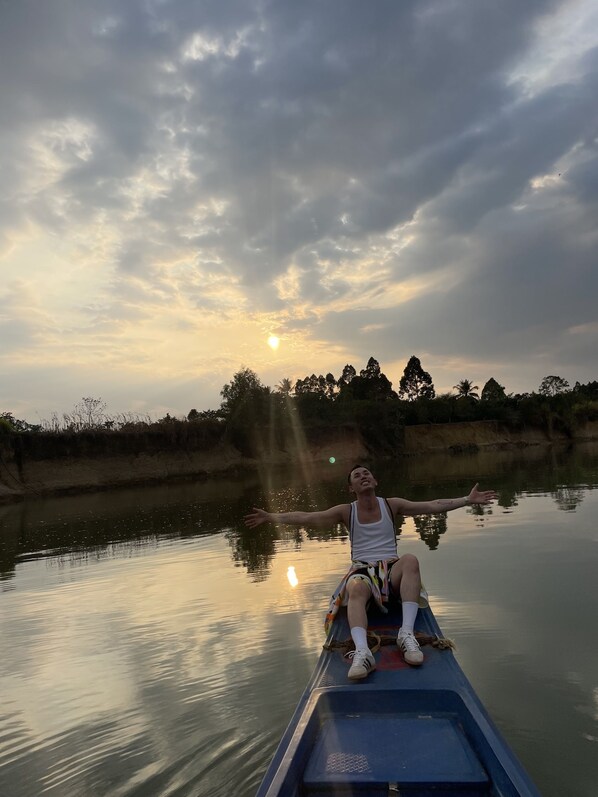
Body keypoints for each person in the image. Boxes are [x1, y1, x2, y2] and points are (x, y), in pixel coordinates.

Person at [245, 464, 497, 680]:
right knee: (354, 586)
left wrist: (467, 500)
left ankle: (406, 634)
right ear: (351, 488)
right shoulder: (346, 511)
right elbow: (307, 518)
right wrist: (270, 517)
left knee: (409, 559)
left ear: (375, 481)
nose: (363, 476)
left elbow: (431, 505)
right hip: (363, 573)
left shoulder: (392, 505)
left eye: (367, 473)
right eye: (357, 476)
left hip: (391, 571)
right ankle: (363, 653)